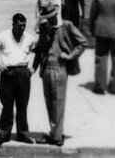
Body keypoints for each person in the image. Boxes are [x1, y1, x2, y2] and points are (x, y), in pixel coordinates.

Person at [32, 11, 87, 146]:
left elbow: (82, 42)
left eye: (50, 18)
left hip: (60, 68)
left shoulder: (67, 26)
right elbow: (39, 50)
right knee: (49, 102)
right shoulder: (45, 28)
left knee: (58, 102)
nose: (48, 21)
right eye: (46, 19)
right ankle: (54, 132)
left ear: (56, 15)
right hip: (46, 69)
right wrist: (34, 68)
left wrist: (70, 56)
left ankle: (56, 137)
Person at [0, 12, 37, 149]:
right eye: (20, 26)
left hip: (23, 73)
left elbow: (39, 51)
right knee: (7, 105)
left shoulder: (29, 38)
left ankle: (23, 133)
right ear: (13, 24)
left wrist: (34, 68)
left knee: (22, 105)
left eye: (24, 26)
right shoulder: (4, 36)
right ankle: (4, 133)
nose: (22, 28)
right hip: (8, 73)